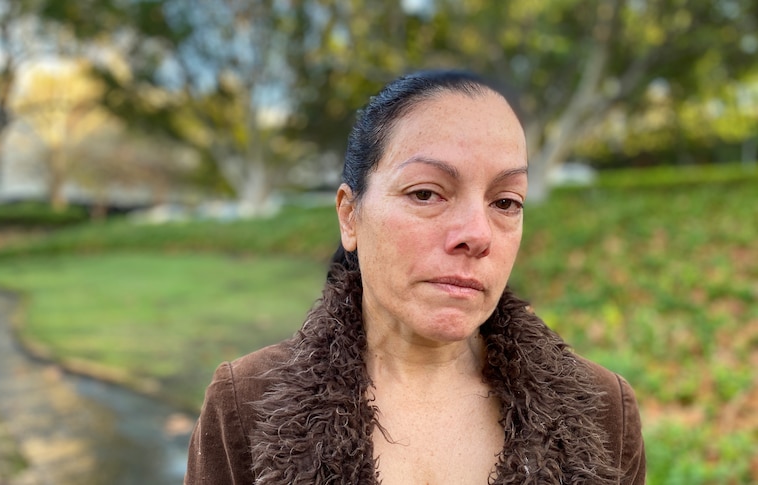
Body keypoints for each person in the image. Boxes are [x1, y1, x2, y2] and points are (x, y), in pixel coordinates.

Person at [184, 69, 646, 484]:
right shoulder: (247, 404)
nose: (477, 234)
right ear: (350, 216)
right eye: (426, 193)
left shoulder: (603, 411)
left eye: (506, 201)